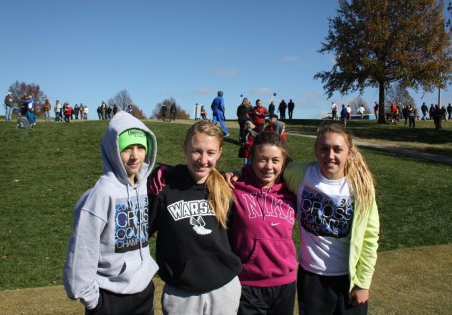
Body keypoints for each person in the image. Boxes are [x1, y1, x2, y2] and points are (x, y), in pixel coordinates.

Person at [63, 111, 159, 315]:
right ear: (113, 151)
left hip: (142, 294)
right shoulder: (102, 194)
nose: (135, 156)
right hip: (109, 299)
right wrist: (92, 301)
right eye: (127, 149)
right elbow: (82, 249)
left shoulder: (143, 187)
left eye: (141, 147)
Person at [282, 124, 379, 315]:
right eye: (324, 149)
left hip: (348, 280)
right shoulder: (301, 175)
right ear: (316, 150)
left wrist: (363, 283)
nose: (330, 155)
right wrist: (237, 174)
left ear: (349, 152)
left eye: (338, 149)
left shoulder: (361, 186)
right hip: (312, 277)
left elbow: (370, 237)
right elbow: (269, 168)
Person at [148, 120, 242, 314]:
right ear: (185, 148)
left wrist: (239, 173)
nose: (203, 159)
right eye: (196, 151)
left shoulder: (226, 189)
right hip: (182, 294)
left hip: (225, 289)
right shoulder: (164, 187)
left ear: (220, 153)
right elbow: (142, 234)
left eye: (210, 153)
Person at [228, 131, 298, 315]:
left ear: (283, 163)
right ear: (251, 159)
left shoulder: (291, 192)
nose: (269, 166)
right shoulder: (235, 189)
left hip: (286, 283)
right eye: (262, 159)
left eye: (275, 160)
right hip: (247, 285)